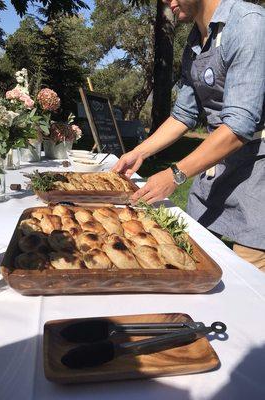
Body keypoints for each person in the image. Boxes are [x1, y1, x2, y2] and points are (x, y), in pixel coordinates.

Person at [113, 0, 265, 271]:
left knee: (244, 282)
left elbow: (240, 125)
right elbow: (183, 114)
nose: (169, 2)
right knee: (188, 260)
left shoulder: (249, 23)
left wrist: (175, 174)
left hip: (258, 179)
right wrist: (139, 152)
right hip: (216, 171)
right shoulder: (195, 43)